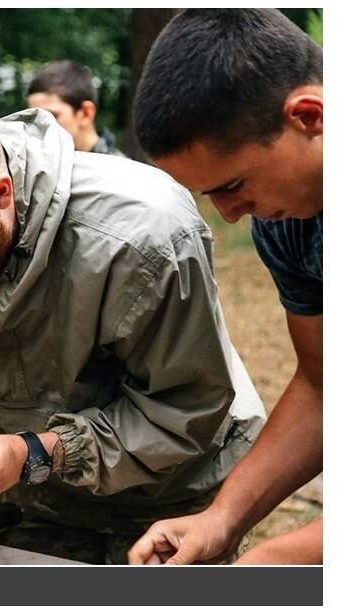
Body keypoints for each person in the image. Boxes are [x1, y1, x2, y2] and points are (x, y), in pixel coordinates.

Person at [0, 99, 265, 565]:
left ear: (0, 194)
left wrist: (34, 451)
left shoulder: (143, 239)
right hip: (43, 493)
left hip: (175, 493)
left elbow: (184, 410)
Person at [128, 8, 322, 565]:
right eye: (210, 194)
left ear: (308, 116)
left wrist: (280, 560)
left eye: (233, 184)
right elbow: (320, 382)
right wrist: (222, 516)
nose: (231, 216)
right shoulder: (290, 222)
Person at [26, 60, 124, 156]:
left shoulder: (120, 169)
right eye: (31, 119)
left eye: (51, 116)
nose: (37, 128)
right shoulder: (32, 164)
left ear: (86, 113)